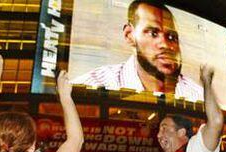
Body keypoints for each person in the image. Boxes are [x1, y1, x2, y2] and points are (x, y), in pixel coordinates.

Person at [72, 0, 204, 102]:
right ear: (129, 35)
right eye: (153, 33)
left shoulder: (199, 96)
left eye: (172, 37)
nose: (165, 44)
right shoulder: (91, 86)